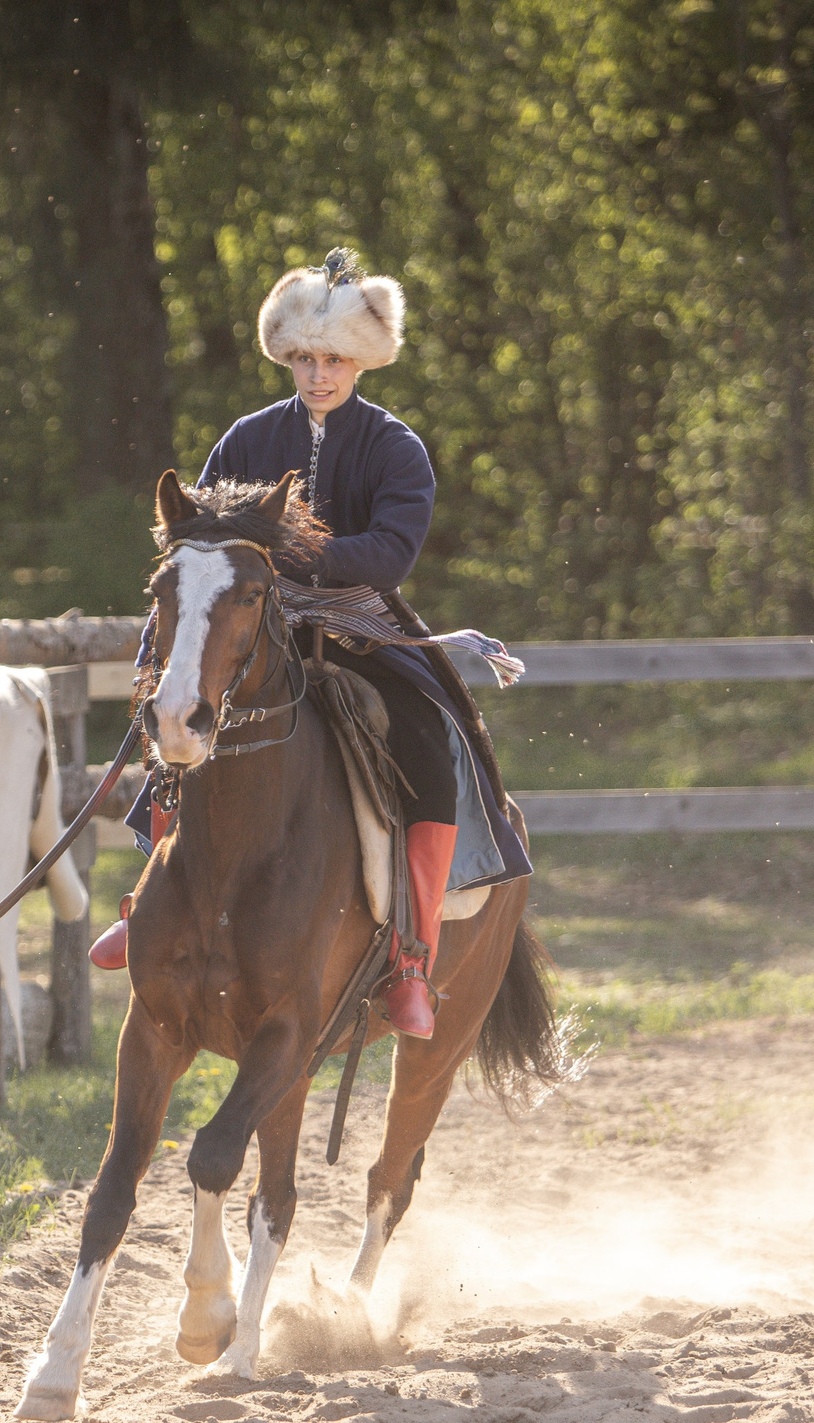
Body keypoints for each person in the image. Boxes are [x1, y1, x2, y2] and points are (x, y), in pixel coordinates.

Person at [90, 249, 529, 1039]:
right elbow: (200, 531)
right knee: (171, 711)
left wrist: (290, 557)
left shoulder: (396, 449)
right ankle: (148, 907)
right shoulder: (246, 437)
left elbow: (392, 554)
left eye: (332, 360)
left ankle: (411, 958)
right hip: (254, 627)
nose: (318, 375)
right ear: (286, 358)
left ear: (360, 361)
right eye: (303, 359)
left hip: (362, 625)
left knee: (432, 742)